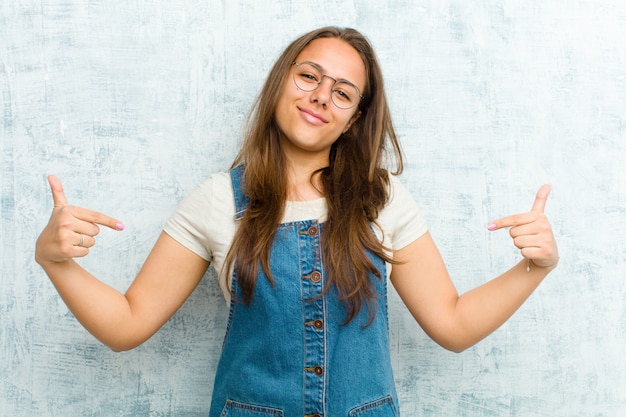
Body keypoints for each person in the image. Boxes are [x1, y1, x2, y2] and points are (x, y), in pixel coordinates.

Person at [35, 26, 559, 417]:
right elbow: (127, 324)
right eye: (309, 75)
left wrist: (533, 268)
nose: (320, 96)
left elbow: (454, 324)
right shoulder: (218, 200)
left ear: (354, 118)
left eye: (343, 91)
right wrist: (54, 261)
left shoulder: (383, 199)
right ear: (282, 81)